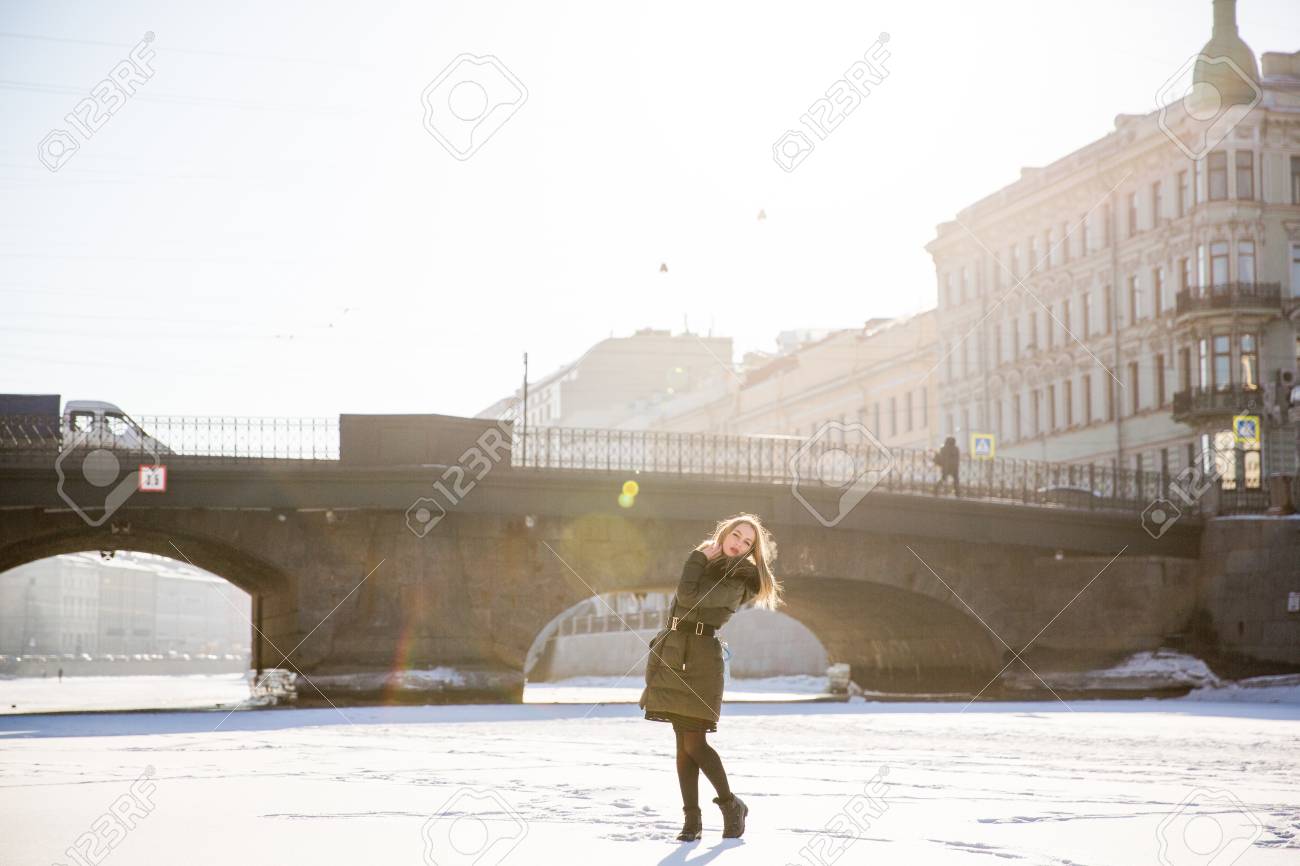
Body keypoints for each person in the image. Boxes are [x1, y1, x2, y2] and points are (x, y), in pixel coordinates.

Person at [639, 513, 784, 841]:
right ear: (725, 532)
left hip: (701, 660)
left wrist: (697, 557)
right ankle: (692, 821)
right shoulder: (711, 563)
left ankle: (731, 805)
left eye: (748, 542)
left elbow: (691, 597)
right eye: (737, 535)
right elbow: (680, 605)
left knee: (695, 743)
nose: (739, 543)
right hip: (676, 653)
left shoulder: (740, 578)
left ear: (752, 551)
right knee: (682, 744)